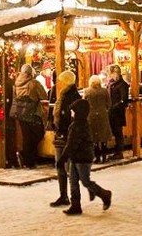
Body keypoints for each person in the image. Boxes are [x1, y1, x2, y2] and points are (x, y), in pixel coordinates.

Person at [57, 98, 112, 215]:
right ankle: (75, 205)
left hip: (83, 157)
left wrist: (62, 158)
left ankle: (104, 194)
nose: (71, 113)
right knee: (73, 181)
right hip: (76, 157)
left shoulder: (78, 126)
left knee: (85, 181)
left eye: (73, 111)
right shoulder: (78, 124)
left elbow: (71, 144)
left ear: (78, 112)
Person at [49, 69, 81, 207]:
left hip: (68, 136)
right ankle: (63, 195)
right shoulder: (62, 95)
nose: (59, 83)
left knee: (71, 169)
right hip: (61, 135)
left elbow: (74, 119)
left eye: (61, 81)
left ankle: (74, 199)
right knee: (61, 166)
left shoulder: (73, 97)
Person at [14, 64, 47, 169]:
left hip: (21, 112)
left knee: (26, 136)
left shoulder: (17, 82)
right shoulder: (34, 83)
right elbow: (44, 96)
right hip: (32, 112)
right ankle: (30, 159)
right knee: (38, 134)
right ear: (30, 73)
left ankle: (27, 159)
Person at [85, 75, 113, 164]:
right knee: (103, 137)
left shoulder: (87, 91)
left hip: (91, 116)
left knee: (94, 138)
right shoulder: (104, 91)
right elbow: (109, 104)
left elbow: (84, 103)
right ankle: (104, 157)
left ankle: (97, 158)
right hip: (102, 115)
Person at [107, 65, 129, 160]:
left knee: (118, 132)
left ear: (115, 73)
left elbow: (124, 100)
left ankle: (119, 152)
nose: (109, 75)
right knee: (114, 132)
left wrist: (113, 107)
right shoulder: (110, 83)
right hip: (110, 112)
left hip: (117, 112)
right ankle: (116, 151)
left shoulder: (122, 85)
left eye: (110, 73)